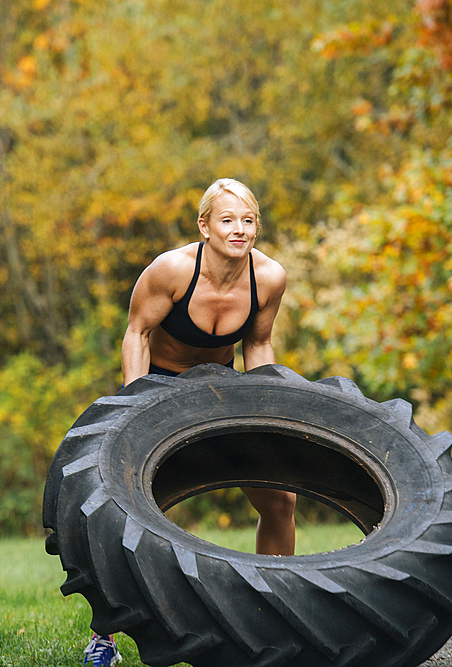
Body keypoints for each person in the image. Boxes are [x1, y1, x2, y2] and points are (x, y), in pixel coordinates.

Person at [81, 178, 295, 667]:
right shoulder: (173, 270)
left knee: (280, 498)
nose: (238, 230)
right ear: (205, 226)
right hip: (157, 385)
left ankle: (276, 616)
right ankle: (104, 640)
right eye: (227, 220)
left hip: (220, 388)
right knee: (123, 514)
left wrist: (268, 412)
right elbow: (136, 332)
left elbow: (258, 346)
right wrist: (136, 405)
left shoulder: (270, 278)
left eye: (247, 221)